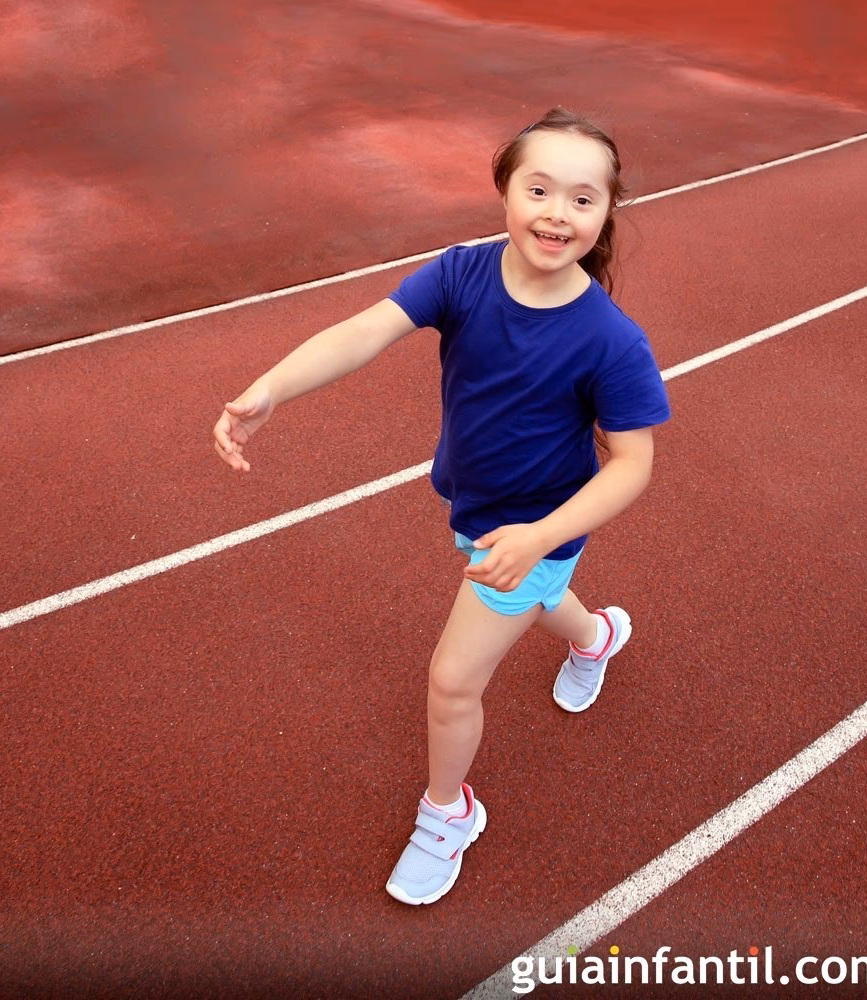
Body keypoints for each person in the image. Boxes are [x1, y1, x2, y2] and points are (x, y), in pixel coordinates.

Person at [213, 107, 670, 906]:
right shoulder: (461, 272)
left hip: (537, 526)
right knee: (539, 599)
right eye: (539, 188)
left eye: (583, 199)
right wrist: (270, 389)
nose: (557, 213)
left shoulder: (612, 341)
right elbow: (365, 329)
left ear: (605, 216)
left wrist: (542, 536)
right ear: (505, 190)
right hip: (477, 508)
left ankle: (448, 811)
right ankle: (595, 638)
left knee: (454, 679)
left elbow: (633, 464)